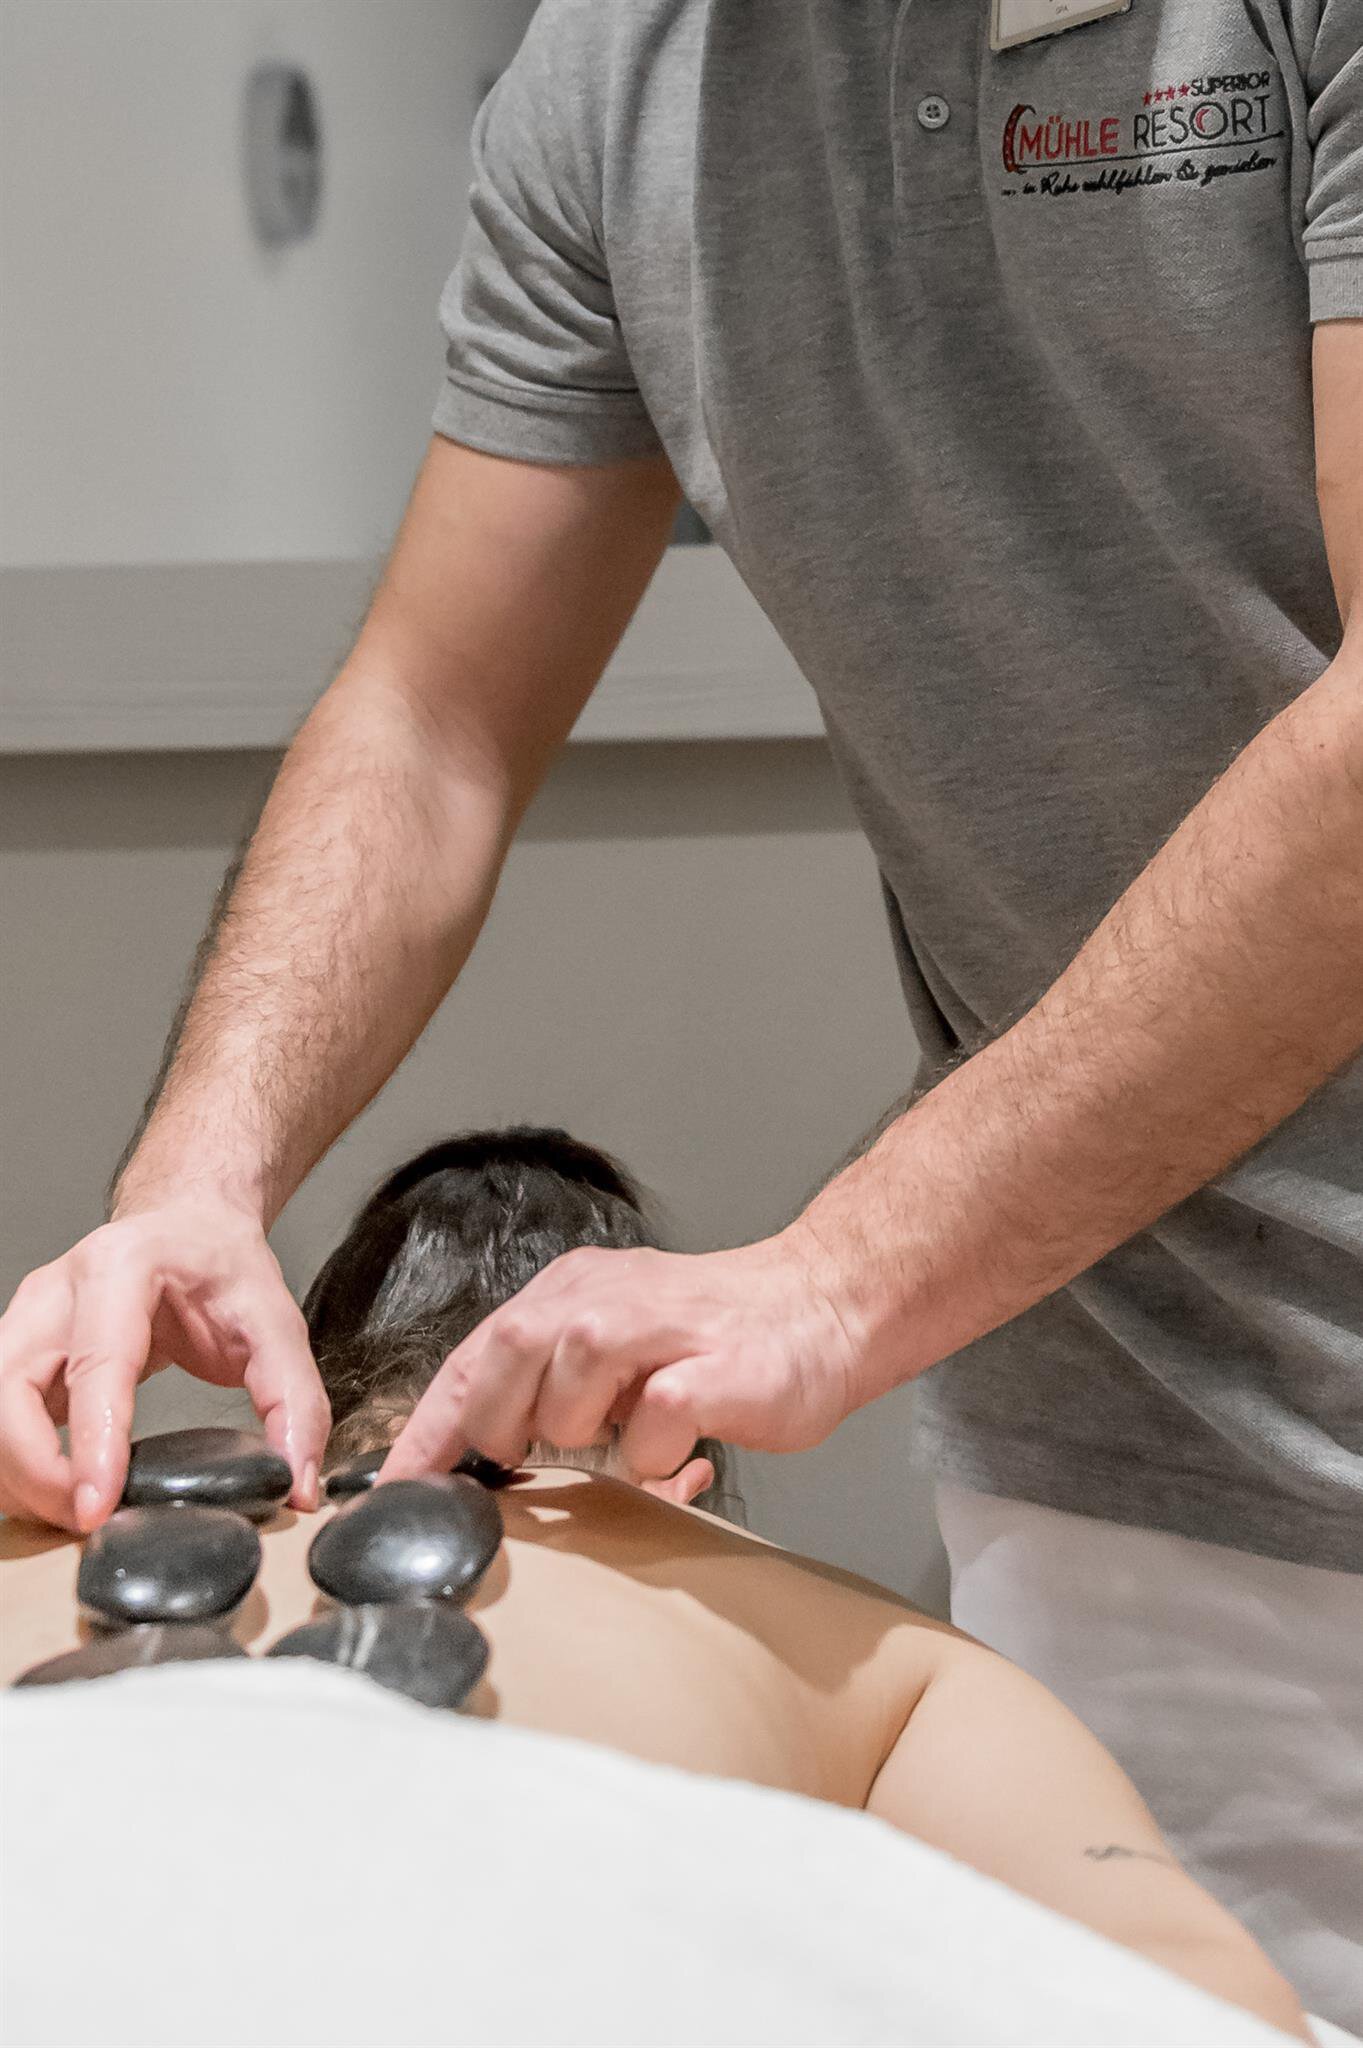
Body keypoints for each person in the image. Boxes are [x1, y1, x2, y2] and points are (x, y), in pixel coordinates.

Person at [0, 0, 1359, 2021]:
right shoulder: (617, 78)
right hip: (1117, 1455)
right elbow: (433, 717)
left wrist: (842, 1275)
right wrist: (190, 1184)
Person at [0, 1128, 1308, 2040]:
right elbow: (1199, 2002)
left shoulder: (46, 1531)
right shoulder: (870, 1655)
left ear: (285, 1419)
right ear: (679, 1475)